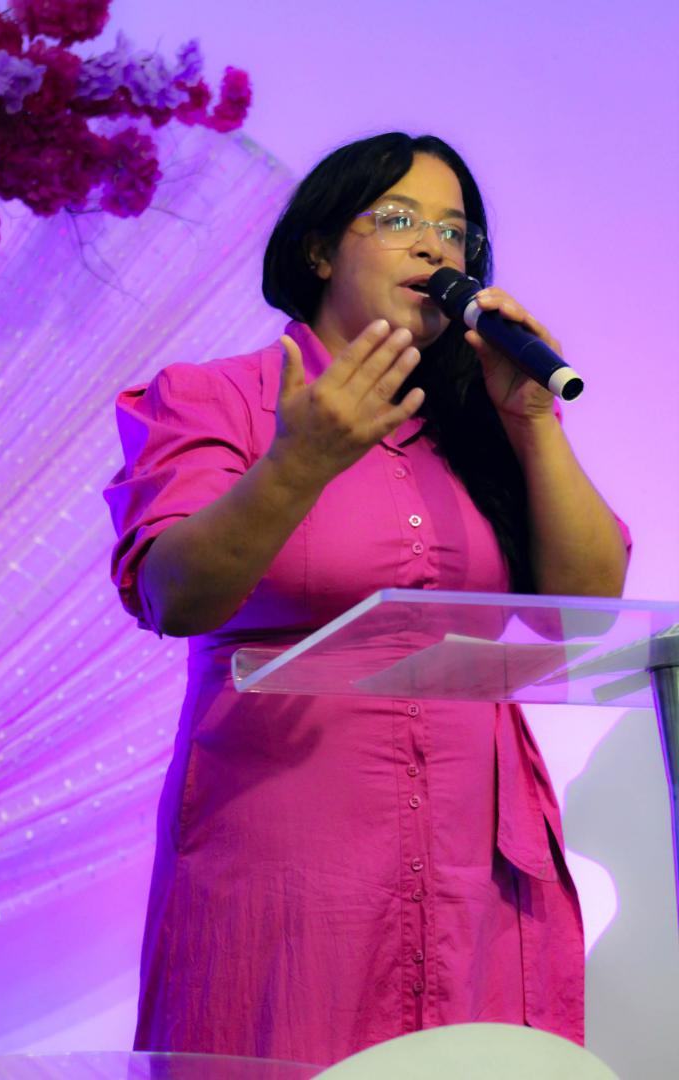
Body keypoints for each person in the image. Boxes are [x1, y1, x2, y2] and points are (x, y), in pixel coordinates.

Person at [104, 132, 629, 1065]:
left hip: (475, 868)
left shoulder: (478, 419)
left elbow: (578, 618)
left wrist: (532, 420)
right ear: (318, 250)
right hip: (290, 866)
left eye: (455, 232)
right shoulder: (216, 398)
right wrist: (297, 463)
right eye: (397, 219)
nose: (434, 246)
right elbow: (172, 594)